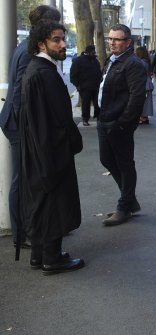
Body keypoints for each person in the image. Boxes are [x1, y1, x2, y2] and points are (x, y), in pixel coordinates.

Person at [19, 20, 84, 274]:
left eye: (62, 38)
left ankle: (39, 255)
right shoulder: (45, 74)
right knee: (54, 203)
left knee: (42, 202)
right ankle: (52, 258)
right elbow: (61, 119)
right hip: (51, 150)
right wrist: (71, 143)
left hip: (39, 149)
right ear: (41, 43)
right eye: (56, 39)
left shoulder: (35, 70)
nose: (62, 44)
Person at [0, 5, 61, 251]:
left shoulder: (24, 49)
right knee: (22, 179)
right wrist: (26, 129)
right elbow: (20, 94)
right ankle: (22, 233)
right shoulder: (28, 52)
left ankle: (25, 230)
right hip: (18, 124)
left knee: (22, 178)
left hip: (15, 121)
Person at [97, 24, 146, 226]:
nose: (112, 43)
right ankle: (129, 200)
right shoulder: (112, 60)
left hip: (118, 123)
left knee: (125, 165)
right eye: (110, 39)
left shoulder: (133, 64)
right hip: (105, 119)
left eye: (117, 39)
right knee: (107, 160)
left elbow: (136, 97)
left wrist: (123, 123)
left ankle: (124, 206)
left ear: (127, 42)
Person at [70, 44, 102, 126]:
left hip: (96, 86)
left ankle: (99, 118)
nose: (94, 53)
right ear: (88, 52)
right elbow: (73, 74)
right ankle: (85, 119)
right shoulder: (79, 61)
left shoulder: (95, 61)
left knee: (97, 103)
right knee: (85, 104)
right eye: (93, 51)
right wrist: (77, 85)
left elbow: (98, 72)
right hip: (84, 87)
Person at [135, 46, 154, 124]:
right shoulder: (147, 61)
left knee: (142, 101)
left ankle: (143, 117)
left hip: (143, 83)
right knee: (147, 101)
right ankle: (144, 117)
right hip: (147, 83)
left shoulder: (141, 62)